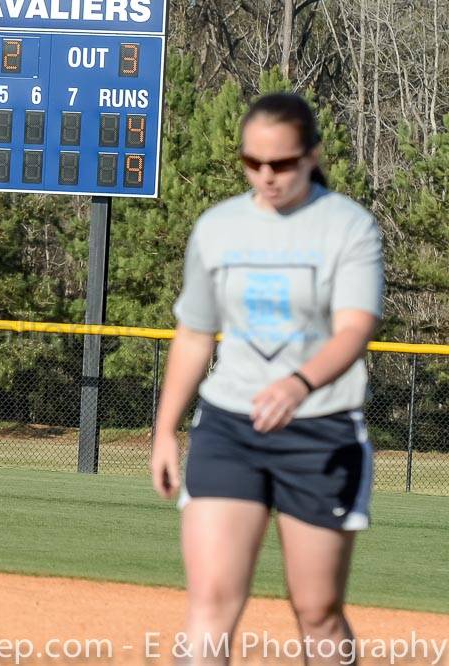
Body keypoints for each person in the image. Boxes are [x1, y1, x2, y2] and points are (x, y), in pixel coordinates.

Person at [150, 92, 384, 665]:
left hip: (320, 431)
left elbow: (355, 329)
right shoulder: (218, 227)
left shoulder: (348, 227)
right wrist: (164, 430)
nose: (266, 175)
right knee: (210, 604)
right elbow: (195, 332)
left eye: (280, 163)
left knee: (317, 613)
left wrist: (299, 383)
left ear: (311, 155)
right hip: (229, 427)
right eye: (252, 163)